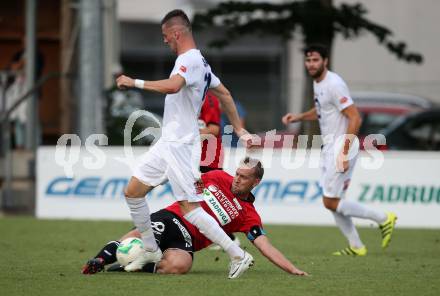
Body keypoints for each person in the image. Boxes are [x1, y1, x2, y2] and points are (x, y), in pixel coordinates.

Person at [115, 10, 255, 278]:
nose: (165, 41)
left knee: (190, 208)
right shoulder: (200, 61)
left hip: (181, 144)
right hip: (169, 141)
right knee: (133, 191)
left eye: (166, 36)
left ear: (177, 33)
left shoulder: (189, 60)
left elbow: (173, 86)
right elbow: (224, 93)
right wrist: (238, 127)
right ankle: (150, 249)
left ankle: (238, 254)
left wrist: (134, 82)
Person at [82, 157, 308, 276]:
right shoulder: (218, 177)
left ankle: (128, 268)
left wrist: (292, 269)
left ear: (256, 182)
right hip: (172, 218)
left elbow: (264, 246)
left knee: (180, 266)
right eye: (237, 174)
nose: (237, 179)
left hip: (188, 240)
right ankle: (100, 260)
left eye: (244, 177)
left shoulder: (249, 216)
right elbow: (191, 179)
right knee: (137, 236)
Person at [281, 44, 397, 256]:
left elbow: (355, 117)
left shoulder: (334, 84)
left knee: (330, 201)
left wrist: (343, 152)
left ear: (325, 61)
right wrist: (299, 116)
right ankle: (356, 246)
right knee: (333, 200)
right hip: (329, 147)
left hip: (342, 146)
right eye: (308, 60)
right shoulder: (319, 83)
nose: (311, 64)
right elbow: (323, 109)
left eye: (315, 60)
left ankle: (383, 218)